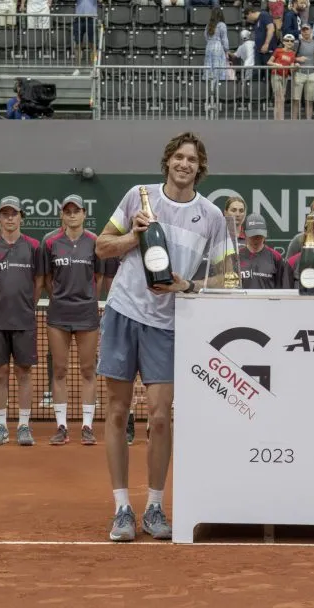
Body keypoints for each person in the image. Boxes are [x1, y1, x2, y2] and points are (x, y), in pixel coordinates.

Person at [95, 131, 228, 543]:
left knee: (158, 416)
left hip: (169, 325)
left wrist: (186, 285)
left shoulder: (212, 217)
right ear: (168, 161)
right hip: (123, 313)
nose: (185, 164)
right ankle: (121, 508)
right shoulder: (139, 197)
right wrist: (134, 236)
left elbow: (227, 278)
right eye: (179, 157)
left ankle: (154, 505)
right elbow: (102, 247)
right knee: (117, 413)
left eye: (192, 159)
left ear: (199, 168)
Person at [0, 196, 43, 447]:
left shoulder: (34, 247)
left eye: (13, 213)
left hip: (24, 319)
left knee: (24, 372)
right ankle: (1, 425)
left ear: (21, 217)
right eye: (4, 214)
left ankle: (24, 425)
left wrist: (29, 304)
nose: (9, 218)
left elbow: (39, 281)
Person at [43, 195, 103, 446]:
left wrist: (88, 299)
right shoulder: (50, 243)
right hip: (58, 314)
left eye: (76, 210)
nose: (72, 215)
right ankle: (62, 426)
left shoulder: (95, 242)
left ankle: (87, 426)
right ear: (62, 215)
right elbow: (47, 278)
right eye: (67, 211)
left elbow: (99, 277)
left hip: (86, 313)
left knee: (88, 370)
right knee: (59, 370)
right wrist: (59, 297)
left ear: (83, 214)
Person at [238, 214, 293, 288]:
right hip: (242, 299)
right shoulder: (236, 257)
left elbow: (281, 288)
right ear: (244, 233)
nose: (256, 239)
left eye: (260, 235)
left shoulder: (276, 257)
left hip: (268, 299)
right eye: (252, 235)